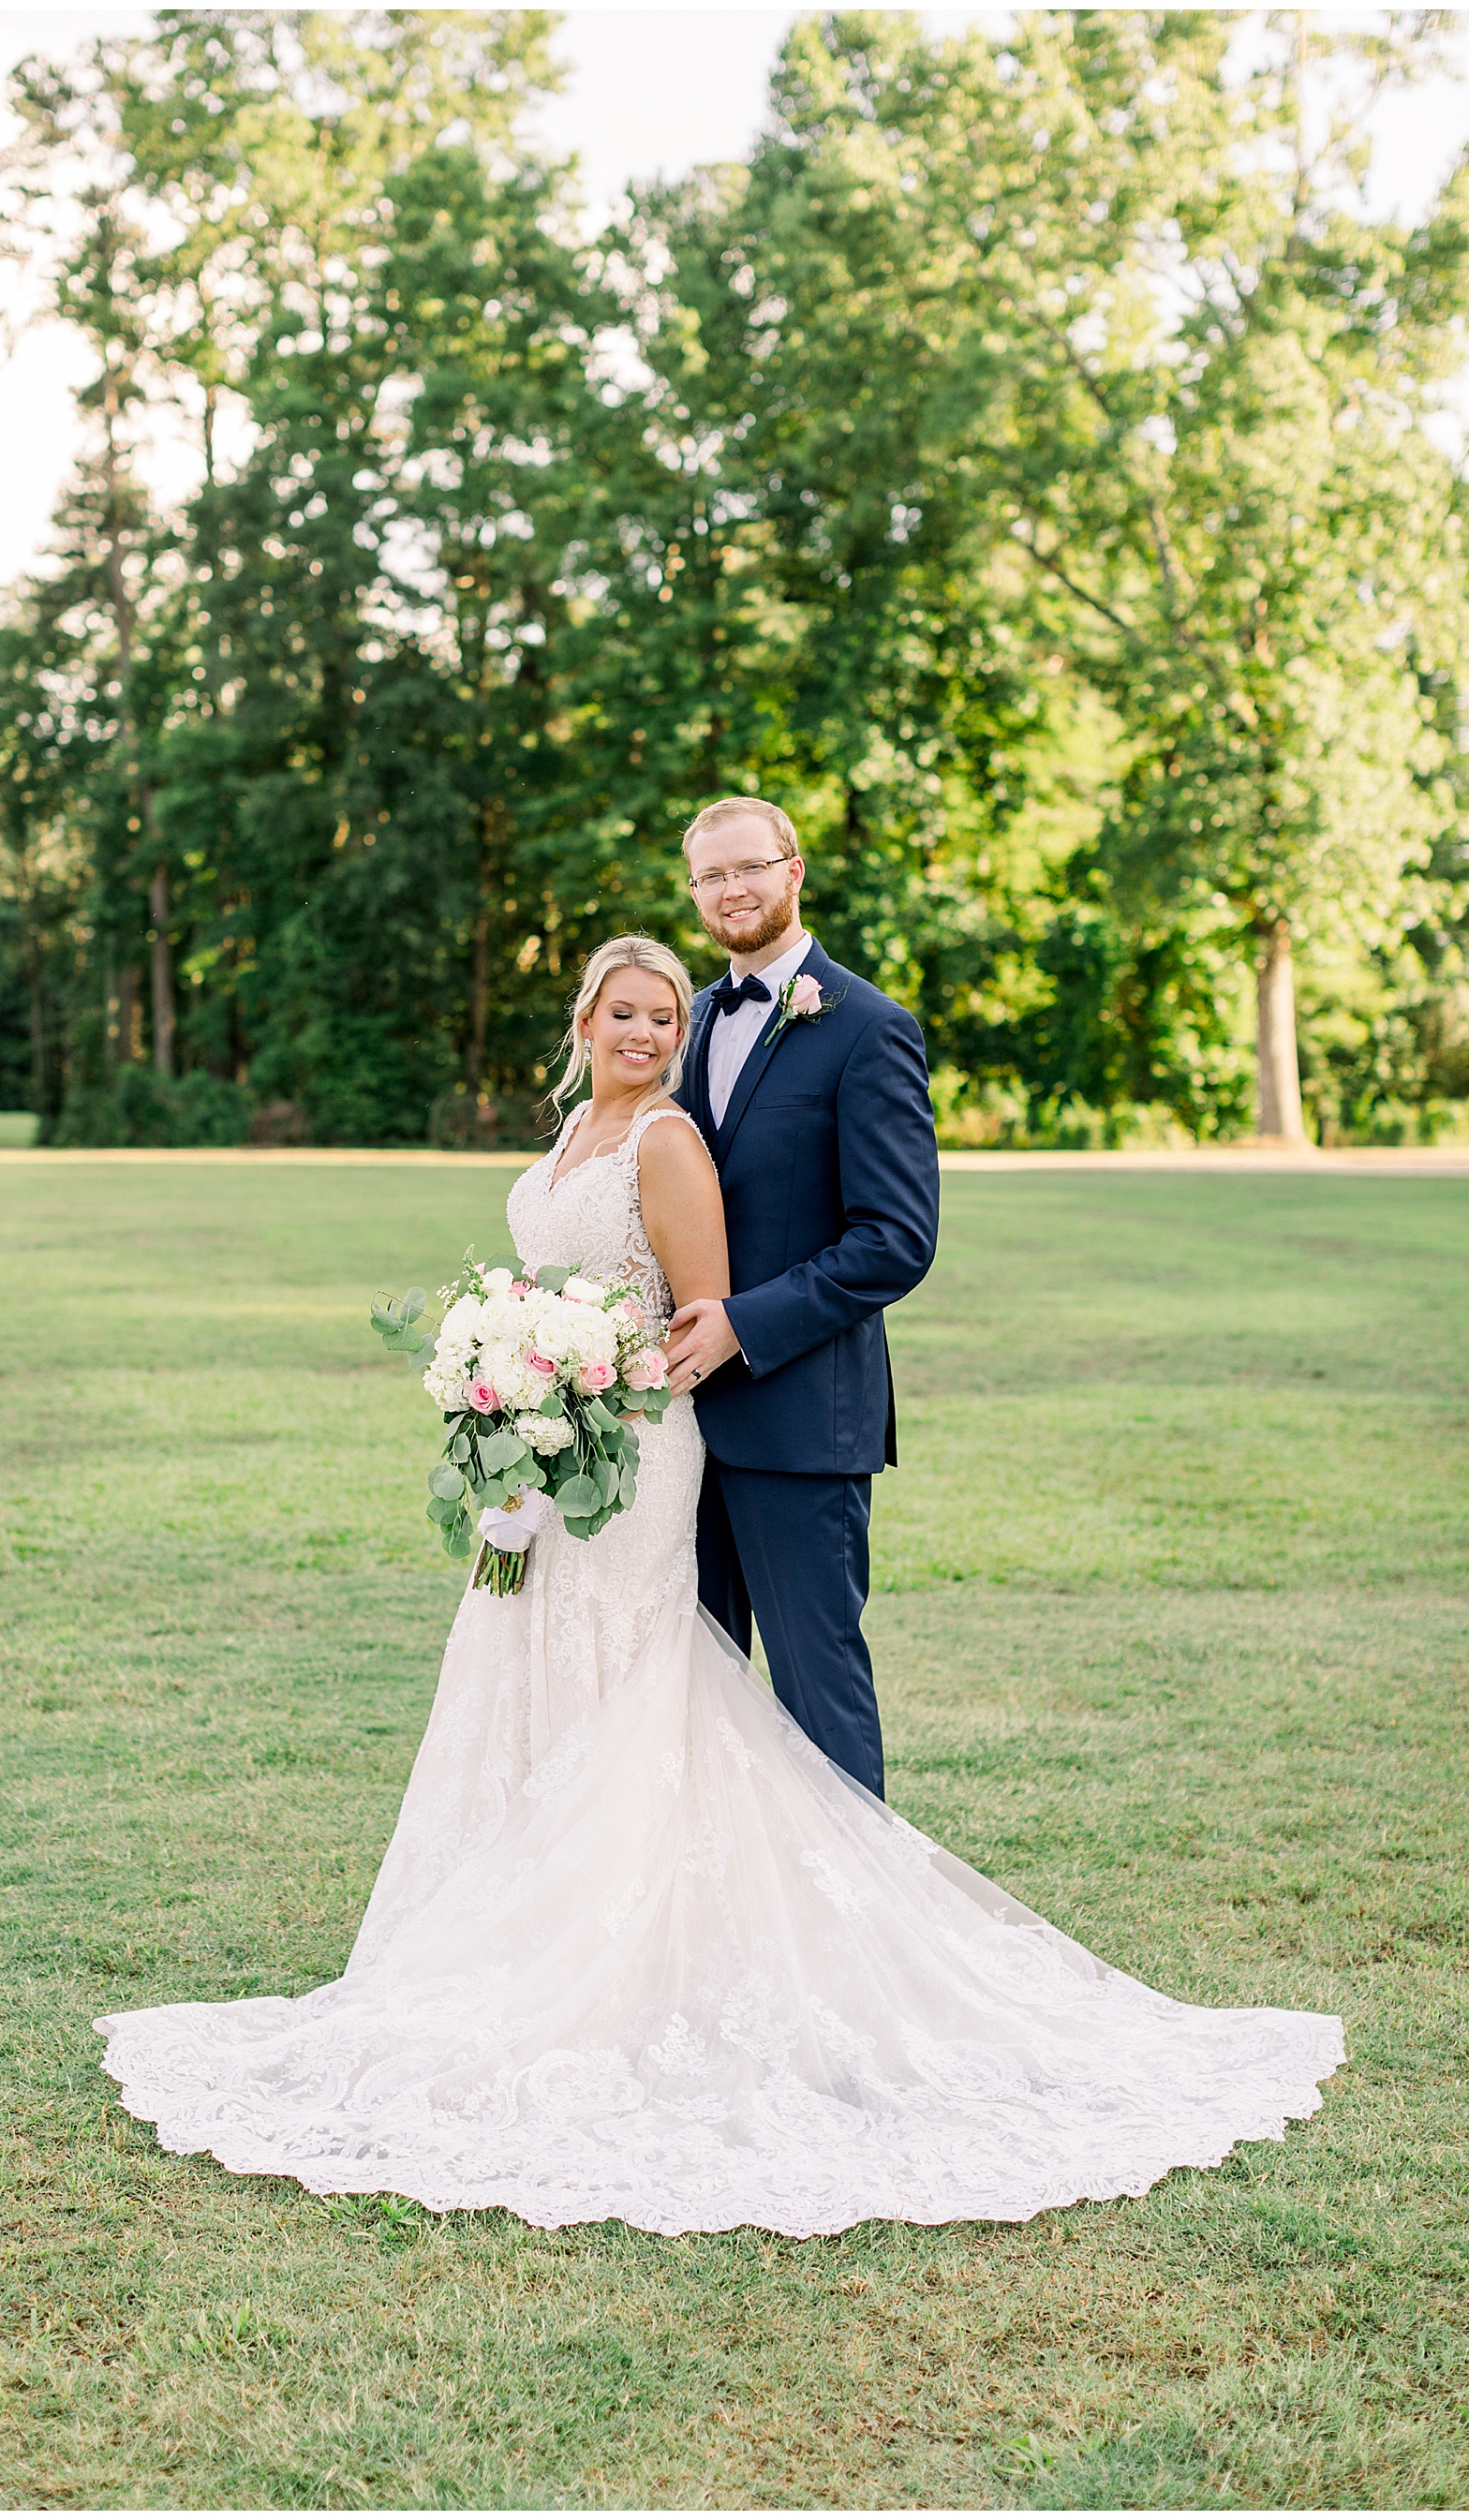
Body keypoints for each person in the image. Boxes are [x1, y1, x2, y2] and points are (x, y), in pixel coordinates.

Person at [97, 922, 1342, 2238]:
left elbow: (699, 1318)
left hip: (634, 1445)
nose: (641, 1032)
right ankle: (532, 1947)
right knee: (538, 1669)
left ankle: (775, 1965)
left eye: (658, 1018)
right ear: (581, 1022)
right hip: (557, 1451)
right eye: (620, 1013)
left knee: (651, 1683)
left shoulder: (670, 1141)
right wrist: (509, 1400)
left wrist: (574, 1391)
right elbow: (546, 1285)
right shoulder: (571, 1135)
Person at [666, 796, 939, 1800]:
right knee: (685, 1692)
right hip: (675, 1426)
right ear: (695, 891)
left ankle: (857, 1941)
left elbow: (895, 1241)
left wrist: (745, 1319)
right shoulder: (684, 1019)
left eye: (749, 867)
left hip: (800, 1422)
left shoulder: (869, 1027)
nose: (731, 890)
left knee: (817, 1699)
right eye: (710, 876)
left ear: (793, 870)